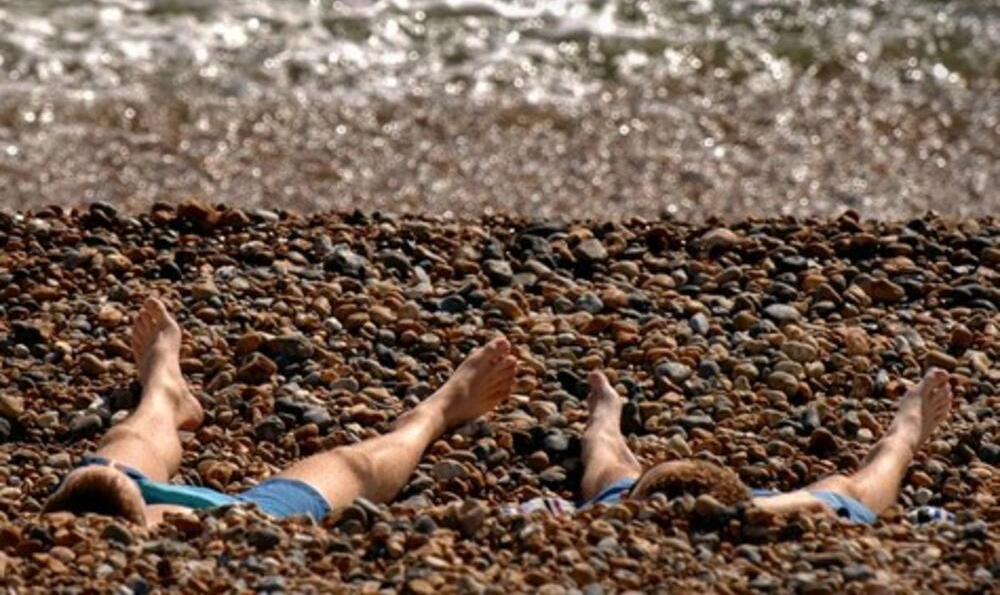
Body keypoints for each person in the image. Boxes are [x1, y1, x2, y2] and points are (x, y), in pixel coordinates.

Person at [43, 299, 519, 527]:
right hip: (224, 524)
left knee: (124, 449)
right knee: (350, 467)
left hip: (98, 502)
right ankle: (434, 414)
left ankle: (164, 393)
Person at [566, 368, 953, 523]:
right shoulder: (747, 520)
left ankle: (605, 425)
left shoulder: (617, 516)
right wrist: (749, 511)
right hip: (754, 511)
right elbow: (815, 506)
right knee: (845, 489)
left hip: (640, 505)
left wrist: (634, 507)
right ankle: (903, 438)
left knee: (611, 470)